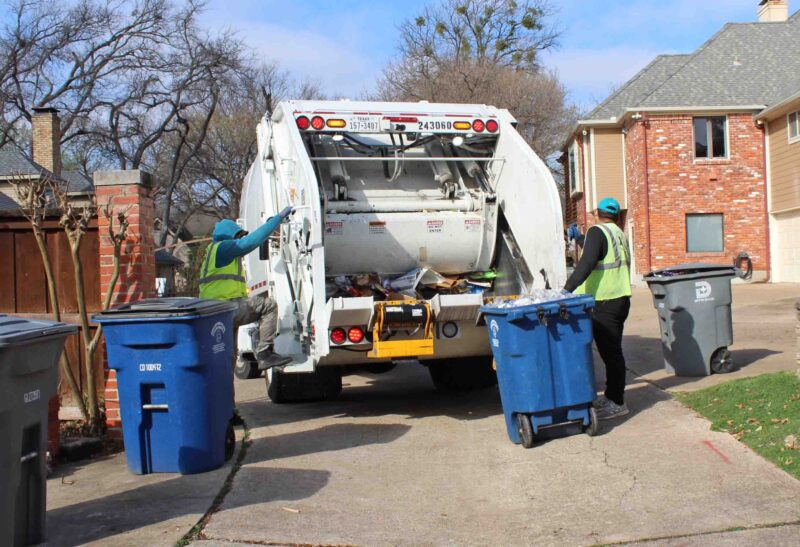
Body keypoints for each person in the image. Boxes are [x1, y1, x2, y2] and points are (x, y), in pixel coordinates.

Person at [200, 206, 294, 371]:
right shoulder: (223, 248)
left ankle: (226, 395)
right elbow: (251, 242)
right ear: (228, 235)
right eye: (237, 236)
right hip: (225, 306)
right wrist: (276, 220)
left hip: (214, 312)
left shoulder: (213, 252)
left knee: (228, 356)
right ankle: (264, 353)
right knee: (268, 306)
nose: (238, 240)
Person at [564, 197, 632, 420]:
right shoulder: (618, 233)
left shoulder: (598, 231)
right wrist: (581, 238)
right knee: (612, 351)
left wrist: (566, 290)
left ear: (596, 213)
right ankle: (612, 396)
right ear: (616, 215)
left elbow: (588, 262)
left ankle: (617, 402)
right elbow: (601, 252)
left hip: (605, 301)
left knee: (611, 354)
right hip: (620, 298)